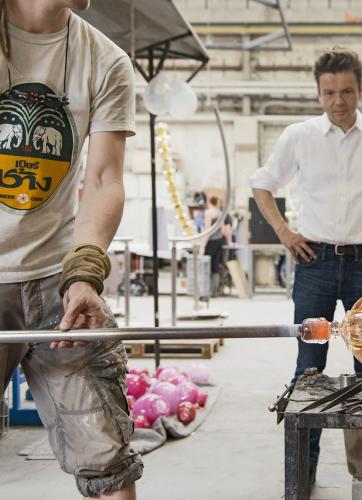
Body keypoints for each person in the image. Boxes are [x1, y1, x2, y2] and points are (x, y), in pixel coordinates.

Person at [250, 47, 362, 483]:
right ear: (318, 93)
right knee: (309, 368)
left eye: (346, 91)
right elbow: (262, 184)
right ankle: (303, 475)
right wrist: (285, 233)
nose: (338, 101)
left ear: (361, 89)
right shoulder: (299, 136)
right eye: (329, 93)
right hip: (314, 264)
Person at [0, 1, 141, 498]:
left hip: (56, 283)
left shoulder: (105, 60)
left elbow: (103, 179)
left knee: (108, 461)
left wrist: (84, 274)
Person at [201, 195, 231, 296]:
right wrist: (228, 241)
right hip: (219, 242)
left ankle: (207, 291)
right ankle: (215, 291)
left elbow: (207, 231)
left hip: (211, 242)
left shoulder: (209, 213)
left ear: (209, 202)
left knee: (206, 266)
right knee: (216, 267)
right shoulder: (220, 213)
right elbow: (223, 231)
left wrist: (202, 246)